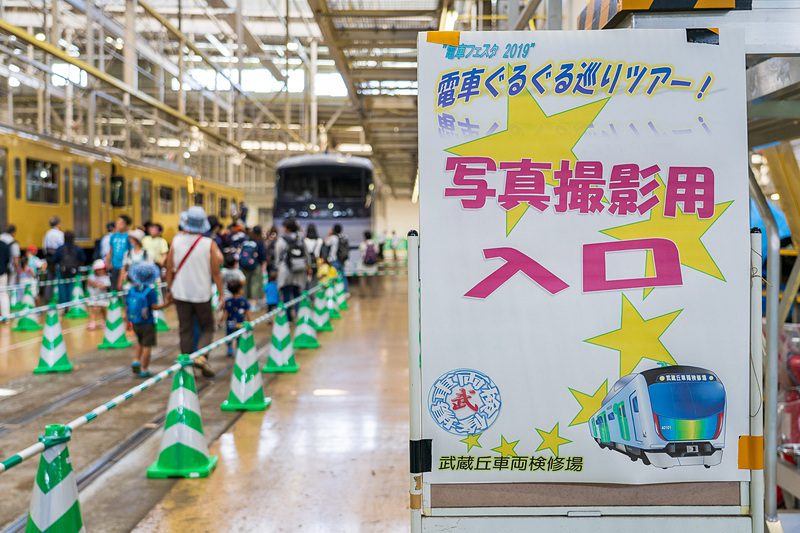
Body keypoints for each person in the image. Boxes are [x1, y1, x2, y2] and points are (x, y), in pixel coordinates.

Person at [165, 206, 224, 377]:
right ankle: (201, 356)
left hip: (180, 292)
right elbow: (216, 271)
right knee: (207, 327)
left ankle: (186, 366)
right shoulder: (208, 244)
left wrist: (169, 289)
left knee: (185, 328)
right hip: (201, 293)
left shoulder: (176, 241)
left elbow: (169, 268)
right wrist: (221, 294)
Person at [126, 262, 169, 378]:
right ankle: (144, 368)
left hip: (135, 321)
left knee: (139, 341)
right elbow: (153, 307)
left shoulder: (132, 290)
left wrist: (127, 323)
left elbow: (127, 306)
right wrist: (166, 304)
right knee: (147, 346)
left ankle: (136, 360)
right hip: (147, 322)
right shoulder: (150, 291)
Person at [274, 218, 311, 321]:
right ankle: (299, 315)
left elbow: (278, 256)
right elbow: (307, 254)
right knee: (297, 293)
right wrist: (308, 266)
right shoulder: (301, 238)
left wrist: (278, 267)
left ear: (287, 228)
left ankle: (288, 317)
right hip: (299, 270)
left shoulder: (282, 239)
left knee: (286, 294)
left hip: (286, 270)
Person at [218, 279, 251, 357]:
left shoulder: (228, 301)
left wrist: (221, 322)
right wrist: (249, 321)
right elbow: (248, 312)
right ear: (240, 290)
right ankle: (238, 349)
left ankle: (229, 348)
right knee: (239, 337)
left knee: (229, 336)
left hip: (230, 323)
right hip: (240, 323)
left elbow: (225, 313)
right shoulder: (244, 301)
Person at [53, 231, 86, 304]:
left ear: (64, 238)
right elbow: (83, 259)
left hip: (62, 272)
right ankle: (73, 306)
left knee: (63, 291)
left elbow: (55, 260)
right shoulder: (78, 248)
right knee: (74, 289)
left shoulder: (60, 249)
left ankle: (64, 307)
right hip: (75, 273)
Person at [239, 226, 267, 307]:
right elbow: (263, 255)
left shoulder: (246, 240)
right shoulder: (260, 242)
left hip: (244, 265)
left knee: (245, 283)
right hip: (256, 265)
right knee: (255, 284)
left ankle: (244, 302)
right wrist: (263, 265)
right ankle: (253, 304)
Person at [106, 215, 132, 292]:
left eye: (121, 223)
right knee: (114, 287)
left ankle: (124, 303)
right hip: (114, 265)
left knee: (122, 287)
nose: (118, 224)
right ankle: (115, 303)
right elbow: (110, 251)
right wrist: (108, 263)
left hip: (124, 266)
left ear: (127, 225)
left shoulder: (129, 236)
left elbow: (132, 252)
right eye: (117, 222)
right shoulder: (113, 236)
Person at [42, 216, 64, 303]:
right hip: (58, 259)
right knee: (60, 278)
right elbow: (62, 246)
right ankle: (61, 298)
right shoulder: (59, 234)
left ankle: (47, 298)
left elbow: (44, 247)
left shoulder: (47, 234)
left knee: (49, 279)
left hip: (49, 258)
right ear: (58, 224)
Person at [325, 224, 350, 294]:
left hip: (334, 259)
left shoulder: (333, 238)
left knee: (333, 275)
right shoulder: (344, 237)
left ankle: (335, 291)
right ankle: (346, 291)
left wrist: (328, 234)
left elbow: (326, 243)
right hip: (342, 259)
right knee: (342, 275)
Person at [87, 259, 111, 330]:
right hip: (94, 296)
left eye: (100, 270)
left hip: (102, 296)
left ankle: (104, 320)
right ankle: (92, 322)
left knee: (103, 309)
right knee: (93, 309)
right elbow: (88, 285)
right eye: (97, 270)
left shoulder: (106, 278)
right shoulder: (92, 277)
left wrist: (98, 285)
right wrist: (91, 284)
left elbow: (105, 286)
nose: (99, 271)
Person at [358, 231, 379, 297]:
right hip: (373, 265)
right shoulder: (375, 243)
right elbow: (377, 252)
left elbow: (361, 252)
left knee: (362, 279)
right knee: (373, 279)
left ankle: (363, 293)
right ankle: (374, 293)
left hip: (364, 264)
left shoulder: (362, 244)